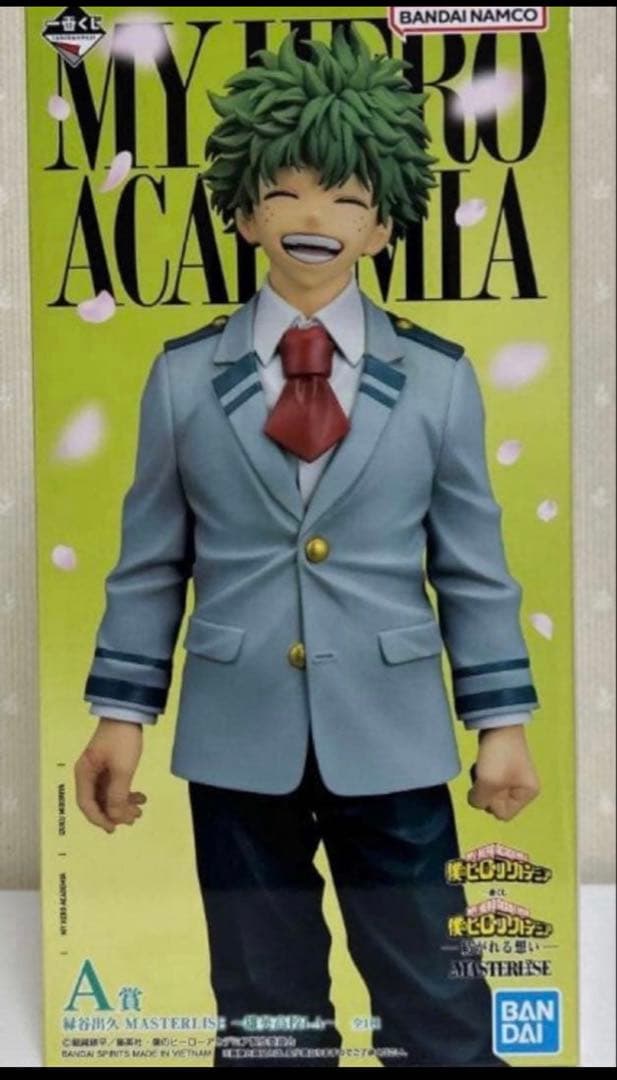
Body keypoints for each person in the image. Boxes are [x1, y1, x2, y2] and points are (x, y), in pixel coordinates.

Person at [75, 26, 541, 1068]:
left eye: (344, 197)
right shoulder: (182, 379)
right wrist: (120, 717)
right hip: (235, 736)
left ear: (383, 223)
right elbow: (150, 566)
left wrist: (500, 722)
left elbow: (471, 566)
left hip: (394, 733)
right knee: (262, 1005)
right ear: (243, 213)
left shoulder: (438, 380)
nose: (312, 218)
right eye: (282, 194)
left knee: (435, 993)